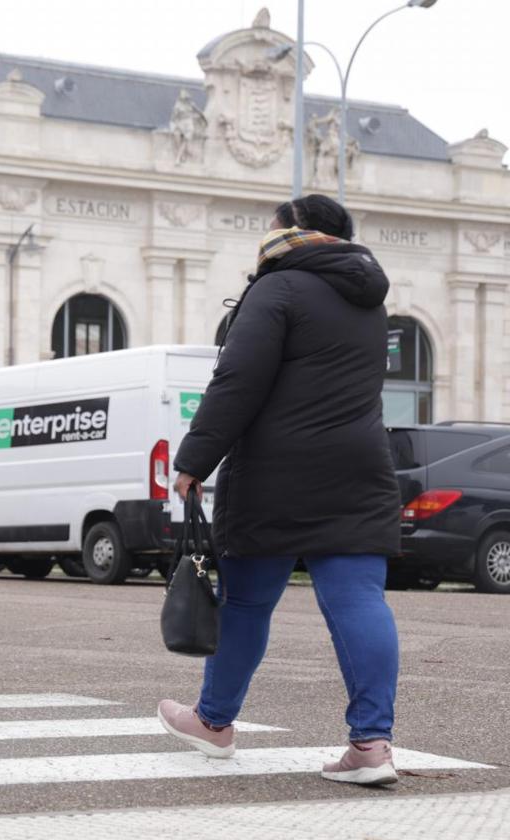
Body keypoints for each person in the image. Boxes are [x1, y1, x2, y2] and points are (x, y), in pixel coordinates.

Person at [160, 194, 403, 786]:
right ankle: (372, 745)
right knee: (359, 600)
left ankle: (214, 723)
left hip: (276, 471)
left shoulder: (278, 287)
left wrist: (194, 457)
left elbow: (237, 380)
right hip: (359, 467)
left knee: (246, 602)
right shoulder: (370, 301)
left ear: (293, 232)